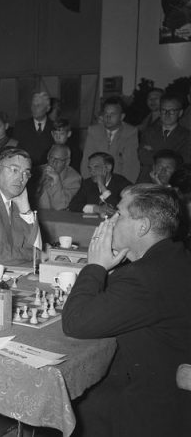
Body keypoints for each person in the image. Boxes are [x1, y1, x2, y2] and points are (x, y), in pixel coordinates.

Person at [62, 184, 191, 437]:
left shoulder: (145, 277)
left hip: (159, 405)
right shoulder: (175, 257)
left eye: (119, 214)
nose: (110, 220)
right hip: (169, 378)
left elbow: (75, 323)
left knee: (78, 406)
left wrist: (95, 266)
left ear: (142, 227)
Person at [80, 97, 139, 183]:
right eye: (105, 114)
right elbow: (86, 161)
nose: (108, 117)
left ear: (122, 116)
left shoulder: (130, 132)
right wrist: (90, 183)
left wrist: (124, 187)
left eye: (113, 114)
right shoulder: (94, 131)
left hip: (119, 181)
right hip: (95, 179)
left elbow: (131, 165)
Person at [138, 92, 190, 182]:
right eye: (163, 110)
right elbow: (143, 157)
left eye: (172, 111)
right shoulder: (149, 132)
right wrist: (171, 155)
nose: (167, 114)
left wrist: (153, 153)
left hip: (173, 182)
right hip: (147, 181)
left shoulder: (187, 136)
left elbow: (183, 161)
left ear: (180, 113)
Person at [12, 91, 55, 167]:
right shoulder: (20, 127)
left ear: (48, 108)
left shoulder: (55, 128)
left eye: (38, 105)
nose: (34, 108)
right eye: (33, 105)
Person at [33, 144, 81, 210]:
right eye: (52, 158)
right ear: (47, 157)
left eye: (59, 160)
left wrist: (56, 181)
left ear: (67, 162)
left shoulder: (74, 178)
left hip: (56, 217)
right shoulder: (37, 171)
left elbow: (60, 206)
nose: (54, 162)